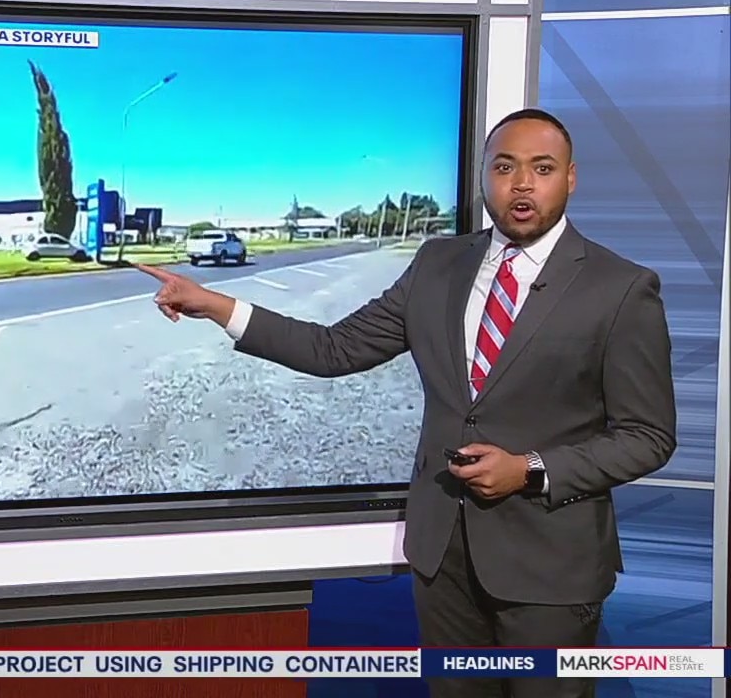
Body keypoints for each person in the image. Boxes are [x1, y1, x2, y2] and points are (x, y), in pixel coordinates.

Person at [137, 108, 676, 698]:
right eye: (504, 167)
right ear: (484, 176)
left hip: (550, 571)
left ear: (570, 177)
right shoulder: (438, 265)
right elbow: (333, 348)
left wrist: (530, 469)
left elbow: (647, 436)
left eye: (541, 168)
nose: (522, 184)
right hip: (443, 559)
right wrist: (216, 306)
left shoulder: (619, 288)